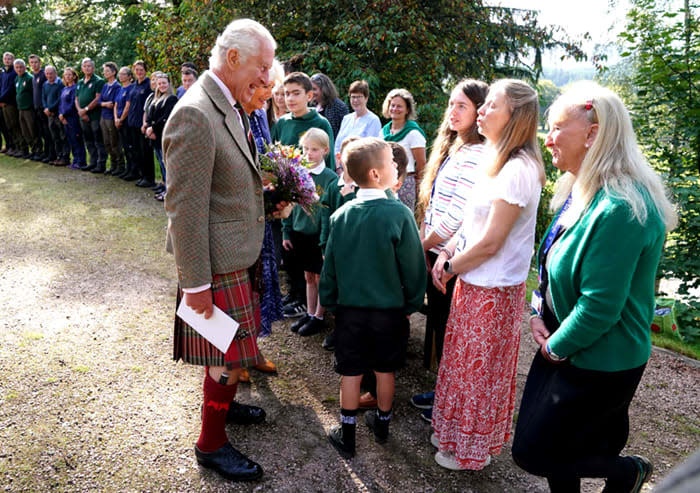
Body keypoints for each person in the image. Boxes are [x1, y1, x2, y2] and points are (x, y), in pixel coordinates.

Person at [511, 82, 677, 492]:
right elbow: (551, 259)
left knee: (534, 451)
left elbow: (600, 307)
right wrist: (538, 312)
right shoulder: (582, 191)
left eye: (556, 128)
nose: (546, 139)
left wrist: (553, 347)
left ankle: (629, 472)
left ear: (592, 134)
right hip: (568, 343)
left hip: (601, 359)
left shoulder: (622, 207)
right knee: (560, 451)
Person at [163, 18, 276, 482]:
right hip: (214, 266)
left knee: (229, 359)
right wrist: (195, 286)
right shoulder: (195, 113)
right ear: (233, 59)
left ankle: (222, 413)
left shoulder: (225, 103)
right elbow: (184, 210)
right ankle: (210, 445)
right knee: (225, 361)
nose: (268, 80)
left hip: (233, 256)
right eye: (263, 68)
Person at [429, 79, 544, 471]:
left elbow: (493, 241)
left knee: (479, 373)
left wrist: (448, 267)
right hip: (473, 279)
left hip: (493, 288)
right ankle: (450, 433)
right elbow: (470, 221)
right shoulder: (493, 158)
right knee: (459, 365)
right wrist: (447, 250)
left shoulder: (519, 170)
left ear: (516, 117)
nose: (481, 111)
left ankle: (469, 451)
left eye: (491, 105)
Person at [320, 137, 426, 458]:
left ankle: (347, 434)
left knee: (350, 372)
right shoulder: (400, 215)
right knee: (385, 370)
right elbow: (414, 268)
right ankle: (382, 424)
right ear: (376, 175)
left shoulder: (341, 216)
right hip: (390, 313)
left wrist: (331, 302)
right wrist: (410, 304)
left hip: (350, 313)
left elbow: (331, 269)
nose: (397, 168)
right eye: (392, 164)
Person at [410, 79, 488, 422]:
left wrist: (422, 245)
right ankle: (444, 392)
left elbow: (458, 214)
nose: (453, 112)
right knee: (442, 326)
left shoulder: (476, 152)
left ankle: (448, 401)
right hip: (434, 248)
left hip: (450, 254)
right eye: (452, 104)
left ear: (478, 112)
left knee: (450, 329)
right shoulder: (455, 146)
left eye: (462, 106)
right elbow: (436, 204)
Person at [271, 71, 335, 318]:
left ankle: (307, 303)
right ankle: (294, 293)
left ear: (309, 95)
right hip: (283, 193)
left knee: (308, 253)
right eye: (286, 93)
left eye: (296, 93)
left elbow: (325, 164)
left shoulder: (321, 124)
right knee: (288, 247)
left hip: (310, 196)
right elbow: (274, 157)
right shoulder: (282, 123)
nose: (290, 98)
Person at [282, 128, 338, 337]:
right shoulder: (297, 172)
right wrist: (287, 232)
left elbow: (328, 212)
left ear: (325, 150)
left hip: (318, 236)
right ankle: (309, 311)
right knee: (308, 276)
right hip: (299, 233)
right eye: (305, 148)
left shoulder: (330, 178)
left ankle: (319, 316)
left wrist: (325, 241)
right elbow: (289, 205)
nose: (308, 154)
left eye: (314, 149)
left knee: (320, 275)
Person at [381, 88, 426, 211]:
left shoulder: (413, 133)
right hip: (384, 181)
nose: (395, 109)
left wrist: (418, 185)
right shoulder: (383, 132)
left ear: (407, 110)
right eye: (392, 105)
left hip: (405, 183)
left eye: (399, 106)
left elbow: (421, 163)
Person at [333, 80, 382, 171]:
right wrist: (338, 167)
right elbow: (337, 145)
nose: (355, 100)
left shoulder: (373, 120)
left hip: (361, 169)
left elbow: (372, 149)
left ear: (366, 98)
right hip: (341, 169)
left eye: (359, 97)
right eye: (353, 97)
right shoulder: (346, 119)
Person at [145, 72, 177, 201]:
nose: (162, 85)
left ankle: (169, 192)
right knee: (161, 163)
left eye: (164, 83)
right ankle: (165, 189)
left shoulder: (172, 99)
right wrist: (149, 127)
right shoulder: (156, 98)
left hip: (163, 135)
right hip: (155, 136)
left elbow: (166, 117)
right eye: (159, 84)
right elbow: (150, 115)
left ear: (169, 84)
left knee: (166, 165)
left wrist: (153, 129)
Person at [75, 58, 107, 172]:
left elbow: (97, 98)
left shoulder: (99, 81)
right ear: (82, 68)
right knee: (88, 140)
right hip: (82, 116)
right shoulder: (79, 82)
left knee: (98, 140)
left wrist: (86, 109)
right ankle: (92, 162)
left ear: (93, 68)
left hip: (94, 116)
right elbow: (76, 98)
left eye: (89, 66)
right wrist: (80, 111)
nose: (87, 68)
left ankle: (101, 164)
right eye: (85, 66)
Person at [124, 60, 152, 183]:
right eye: (137, 70)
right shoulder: (133, 85)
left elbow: (150, 106)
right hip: (132, 123)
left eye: (141, 69)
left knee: (145, 151)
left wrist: (146, 123)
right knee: (136, 150)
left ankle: (148, 177)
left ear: (145, 71)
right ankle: (140, 174)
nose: (139, 72)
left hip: (142, 124)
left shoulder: (149, 85)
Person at [98, 62, 124, 175]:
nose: (105, 73)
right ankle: (113, 164)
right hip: (103, 116)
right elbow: (100, 101)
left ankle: (120, 165)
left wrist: (105, 103)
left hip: (111, 117)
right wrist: (104, 104)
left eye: (107, 71)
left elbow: (114, 103)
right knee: (106, 142)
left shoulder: (117, 86)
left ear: (114, 72)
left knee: (114, 142)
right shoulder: (105, 85)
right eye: (104, 71)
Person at [58, 67, 87, 170]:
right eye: (65, 75)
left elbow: (72, 104)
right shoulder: (64, 89)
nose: (67, 77)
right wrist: (60, 114)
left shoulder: (75, 88)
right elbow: (61, 103)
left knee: (77, 139)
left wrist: (64, 114)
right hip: (64, 118)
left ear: (74, 76)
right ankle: (75, 160)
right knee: (71, 140)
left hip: (73, 118)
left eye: (70, 75)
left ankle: (81, 161)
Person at [42, 65, 70, 166]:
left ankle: (65, 157)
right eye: (47, 73)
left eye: (51, 73)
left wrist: (51, 109)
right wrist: (45, 108)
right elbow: (43, 98)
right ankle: (58, 157)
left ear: (56, 73)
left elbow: (60, 99)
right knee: (55, 137)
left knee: (63, 136)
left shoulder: (60, 84)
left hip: (58, 114)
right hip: (49, 115)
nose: (49, 75)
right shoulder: (45, 84)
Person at [141, 71, 164, 191]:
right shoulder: (152, 96)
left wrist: (152, 128)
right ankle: (162, 183)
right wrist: (145, 124)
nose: (154, 82)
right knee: (159, 158)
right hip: (149, 129)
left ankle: (165, 184)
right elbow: (147, 112)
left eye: (157, 80)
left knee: (163, 159)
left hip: (158, 132)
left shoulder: (166, 97)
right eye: (153, 79)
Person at [29, 54, 52, 162]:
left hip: (45, 108)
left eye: (36, 62)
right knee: (41, 132)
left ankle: (50, 154)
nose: (34, 64)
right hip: (36, 108)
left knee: (48, 132)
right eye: (32, 62)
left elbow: (48, 92)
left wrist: (46, 107)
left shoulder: (44, 75)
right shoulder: (33, 75)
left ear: (40, 63)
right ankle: (44, 153)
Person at [310, 73, 348, 138]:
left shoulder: (338, 106)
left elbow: (344, 132)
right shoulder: (311, 105)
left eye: (314, 89)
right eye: (310, 89)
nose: (312, 92)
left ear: (324, 89)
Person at [113, 66, 135, 179]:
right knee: (124, 146)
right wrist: (116, 118)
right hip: (119, 121)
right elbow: (116, 105)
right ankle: (127, 169)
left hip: (126, 121)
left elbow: (128, 105)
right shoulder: (121, 89)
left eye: (123, 74)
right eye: (120, 74)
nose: (120, 76)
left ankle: (133, 170)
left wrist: (121, 119)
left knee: (130, 147)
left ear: (129, 76)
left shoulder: (131, 88)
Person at [14, 59, 37, 160]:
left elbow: (34, 94)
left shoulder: (29, 78)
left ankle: (38, 151)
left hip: (29, 109)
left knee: (32, 130)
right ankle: (31, 150)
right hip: (20, 109)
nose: (19, 69)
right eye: (17, 67)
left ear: (25, 67)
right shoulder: (17, 79)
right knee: (25, 131)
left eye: (21, 67)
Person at [0, 52, 20, 157]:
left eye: (9, 59)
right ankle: (11, 146)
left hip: (10, 103)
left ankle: (19, 147)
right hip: (2, 104)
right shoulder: (3, 72)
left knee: (14, 125)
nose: (7, 60)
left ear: (13, 60)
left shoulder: (14, 72)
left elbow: (11, 89)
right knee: (7, 127)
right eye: (5, 59)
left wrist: (1, 99)